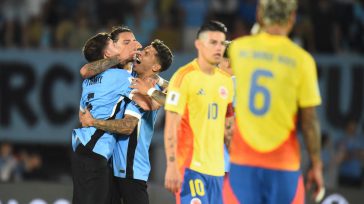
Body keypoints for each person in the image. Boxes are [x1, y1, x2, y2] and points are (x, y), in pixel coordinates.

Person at [228, 0, 324, 203]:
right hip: (283, 163)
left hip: (242, 161)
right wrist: (316, 164)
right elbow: (309, 122)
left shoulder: (238, 49)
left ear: (259, 14)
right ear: (292, 17)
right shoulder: (302, 60)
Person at [79, 39, 173, 204]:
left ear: (156, 66)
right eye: (143, 50)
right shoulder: (129, 78)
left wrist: (93, 122)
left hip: (131, 168)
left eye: (147, 53)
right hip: (112, 166)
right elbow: (86, 70)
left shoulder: (149, 91)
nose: (140, 53)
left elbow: (127, 126)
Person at [164, 20, 234, 204]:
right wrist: (171, 164)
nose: (218, 48)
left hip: (217, 171)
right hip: (191, 168)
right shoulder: (183, 77)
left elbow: (228, 128)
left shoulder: (225, 82)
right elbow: (171, 125)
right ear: (198, 44)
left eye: (221, 43)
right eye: (213, 42)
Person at [71, 32, 141, 204]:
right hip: (96, 150)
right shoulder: (122, 78)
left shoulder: (88, 80)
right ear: (107, 54)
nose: (119, 47)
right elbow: (145, 94)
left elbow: (82, 114)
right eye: (113, 44)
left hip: (82, 147)